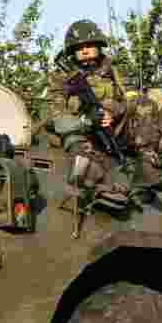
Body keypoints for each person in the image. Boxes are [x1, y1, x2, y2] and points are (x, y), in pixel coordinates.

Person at [45, 19, 131, 202]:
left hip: (111, 134)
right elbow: (56, 117)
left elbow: (128, 103)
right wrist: (86, 120)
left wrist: (112, 113)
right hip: (79, 134)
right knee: (76, 143)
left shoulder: (113, 73)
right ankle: (91, 183)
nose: (84, 50)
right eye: (79, 47)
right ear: (72, 52)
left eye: (89, 45)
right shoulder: (61, 77)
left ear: (99, 47)